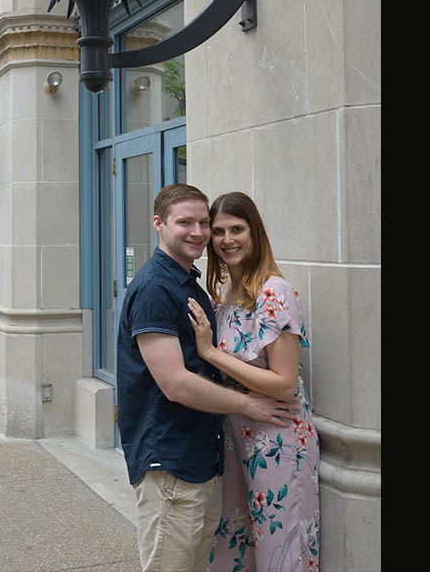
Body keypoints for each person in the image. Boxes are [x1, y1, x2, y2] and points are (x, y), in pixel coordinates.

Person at [117, 183, 302, 572]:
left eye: (205, 223)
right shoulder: (155, 289)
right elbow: (176, 383)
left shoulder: (194, 287)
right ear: (158, 224)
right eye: (186, 222)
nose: (200, 233)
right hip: (170, 462)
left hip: (208, 457)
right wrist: (246, 403)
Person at [186, 191, 321, 572]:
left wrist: (212, 353)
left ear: (254, 232)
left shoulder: (274, 293)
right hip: (233, 438)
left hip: (278, 439)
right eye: (219, 231)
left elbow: (283, 382)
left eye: (237, 229)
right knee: (230, 547)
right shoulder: (221, 295)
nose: (227, 239)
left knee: (283, 552)